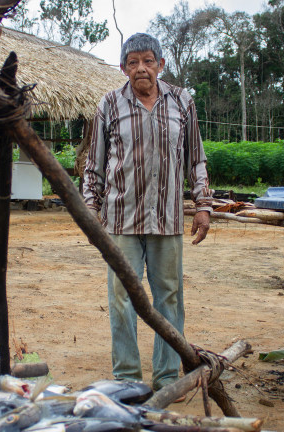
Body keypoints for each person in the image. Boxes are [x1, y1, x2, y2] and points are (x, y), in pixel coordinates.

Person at [82, 33, 213, 393]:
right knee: (122, 296)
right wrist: (91, 210)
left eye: (148, 61)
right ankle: (126, 380)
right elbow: (93, 165)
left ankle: (167, 377)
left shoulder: (182, 102)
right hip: (120, 218)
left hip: (167, 219)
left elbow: (196, 158)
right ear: (123, 68)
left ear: (161, 65)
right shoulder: (108, 105)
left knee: (168, 297)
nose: (142, 68)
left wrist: (203, 205)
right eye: (133, 62)